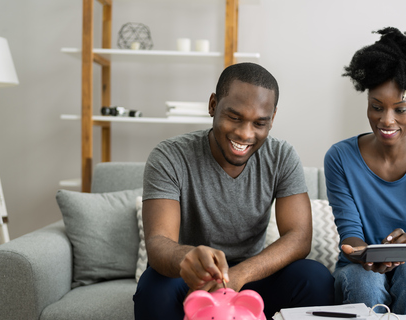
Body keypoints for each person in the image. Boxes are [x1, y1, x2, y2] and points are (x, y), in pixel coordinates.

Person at [134, 62, 334, 320]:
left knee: (315, 278)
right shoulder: (170, 156)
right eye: (234, 117)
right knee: (155, 286)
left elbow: (299, 237)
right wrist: (188, 256)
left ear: (272, 119)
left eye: (259, 123)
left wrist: (238, 276)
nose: (244, 133)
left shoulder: (281, 156)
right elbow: (158, 242)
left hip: (249, 277)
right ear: (213, 105)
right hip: (189, 277)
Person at [324, 27, 406, 315]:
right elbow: (350, 236)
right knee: (366, 283)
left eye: (401, 109)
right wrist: (366, 256)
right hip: (359, 269)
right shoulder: (340, 158)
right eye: (376, 107)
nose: (386, 120)